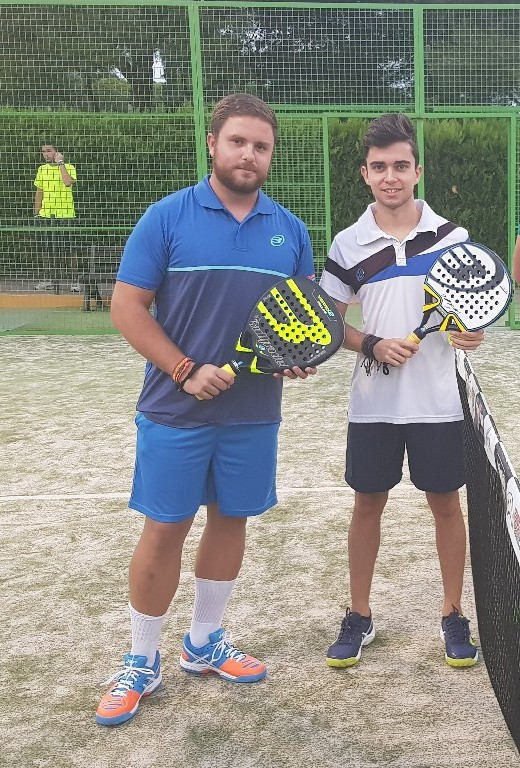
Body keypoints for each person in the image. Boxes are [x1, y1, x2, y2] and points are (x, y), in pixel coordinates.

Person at [96, 93, 316, 727]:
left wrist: (294, 357)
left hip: (253, 413)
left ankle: (203, 643)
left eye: (261, 146)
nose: (249, 155)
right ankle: (141, 660)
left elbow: (299, 318)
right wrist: (185, 370)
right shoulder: (166, 218)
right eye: (238, 142)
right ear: (213, 145)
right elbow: (127, 308)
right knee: (165, 528)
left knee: (231, 521)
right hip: (174, 410)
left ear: (271, 156)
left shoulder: (290, 229)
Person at [319, 113, 484, 671]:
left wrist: (470, 333)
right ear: (365, 174)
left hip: (439, 402)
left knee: (446, 505)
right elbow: (330, 323)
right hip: (374, 404)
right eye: (379, 167)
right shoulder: (348, 244)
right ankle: (359, 615)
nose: (390, 176)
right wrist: (372, 344)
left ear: (417, 171)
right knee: (368, 504)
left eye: (400, 166)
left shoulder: (452, 238)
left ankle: (453, 615)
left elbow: (468, 314)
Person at [34, 144, 80, 293]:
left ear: (57, 152)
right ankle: (47, 280)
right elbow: (39, 191)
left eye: (49, 151)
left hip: (65, 214)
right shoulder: (42, 169)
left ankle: (74, 281)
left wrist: (60, 163)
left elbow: (67, 182)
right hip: (46, 215)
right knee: (46, 250)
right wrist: (37, 212)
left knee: (69, 250)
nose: (45, 154)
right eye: (43, 151)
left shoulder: (69, 167)